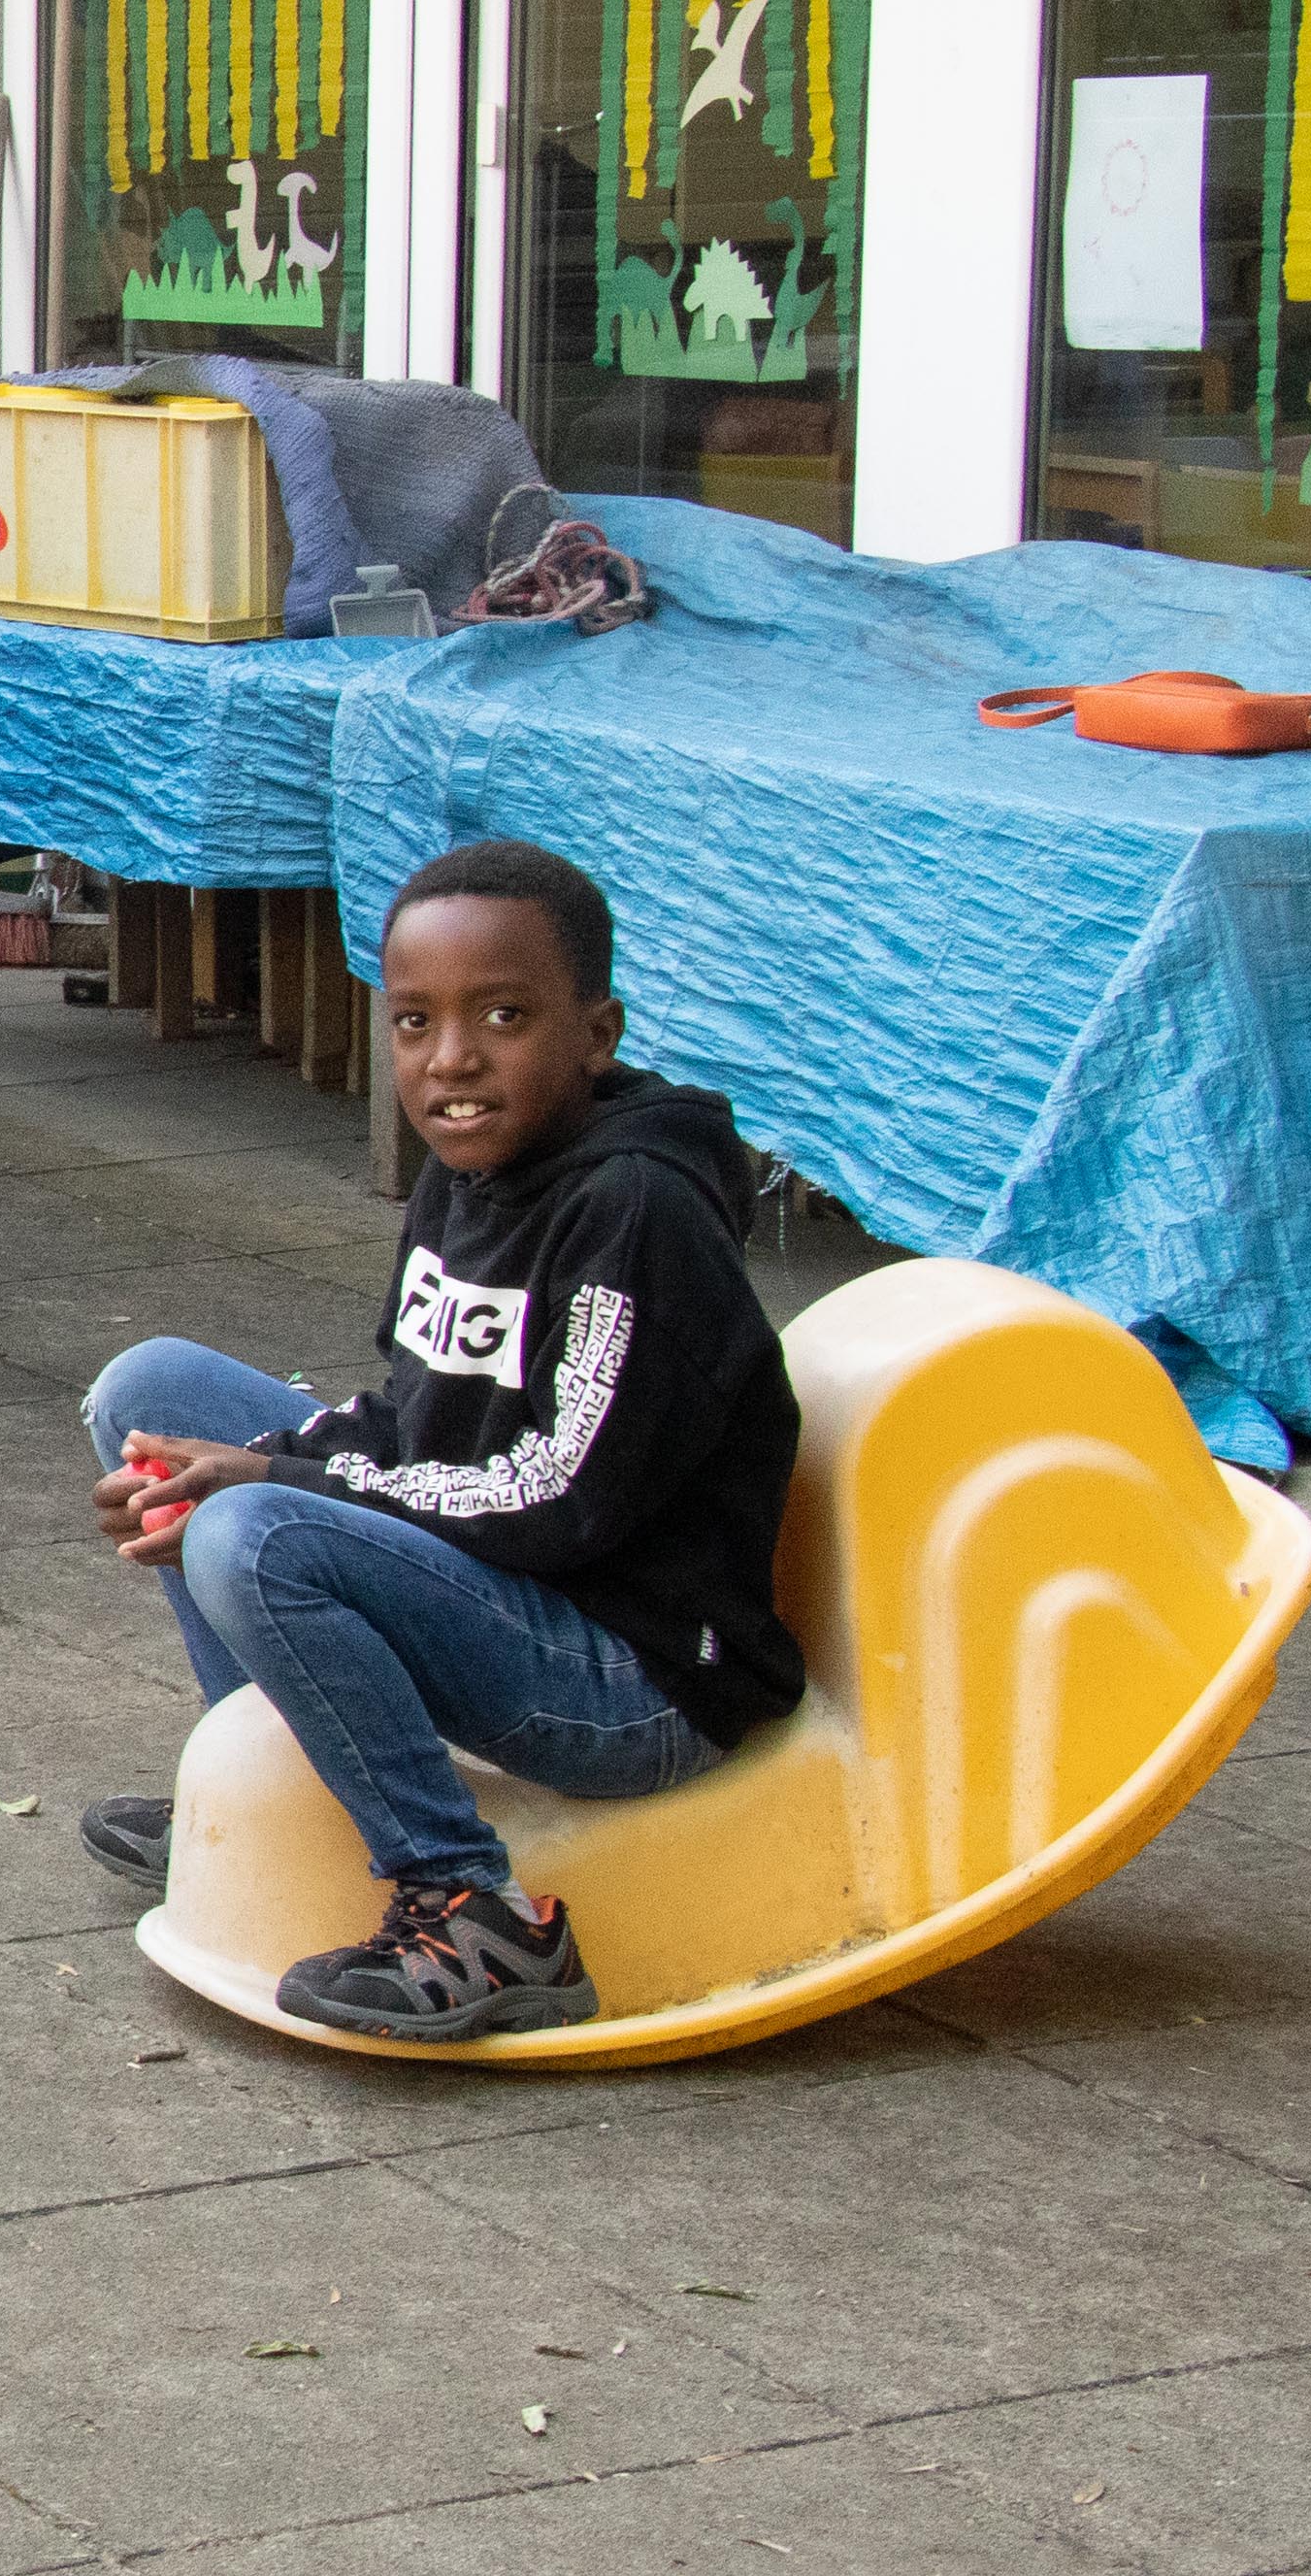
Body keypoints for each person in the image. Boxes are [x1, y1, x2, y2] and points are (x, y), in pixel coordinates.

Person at [78, 840, 804, 2042]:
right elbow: (413, 1417)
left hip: (632, 1674)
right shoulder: (470, 1165)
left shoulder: (637, 1211)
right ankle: (278, 1796)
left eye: (503, 1016)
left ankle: (474, 1908)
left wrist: (277, 1477)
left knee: (254, 1534)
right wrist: (255, 1458)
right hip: (512, 1595)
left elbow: (558, 1495)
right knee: (147, 1390)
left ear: (597, 1033)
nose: (452, 1059)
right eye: (415, 1022)